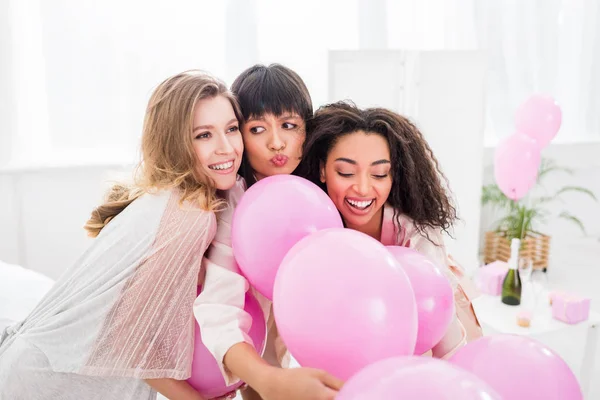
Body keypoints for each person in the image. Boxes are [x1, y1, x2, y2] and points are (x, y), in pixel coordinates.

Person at [0, 70, 245, 400]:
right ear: (175, 143)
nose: (226, 147)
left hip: (33, 360)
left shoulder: (166, 196)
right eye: (204, 135)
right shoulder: (192, 215)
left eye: (231, 129)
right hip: (47, 381)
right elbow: (128, 335)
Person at [194, 64, 343, 400]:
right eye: (258, 129)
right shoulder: (235, 201)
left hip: (321, 331)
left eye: (289, 126)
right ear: (240, 135)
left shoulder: (323, 183)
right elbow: (220, 309)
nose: (277, 143)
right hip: (251, 341)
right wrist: (266, 380)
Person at [300, 101, 483, 356]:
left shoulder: (416, 233)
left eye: (378, 174)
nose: (363, 189)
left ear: (393, 175)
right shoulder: (311, 225)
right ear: (322, 170)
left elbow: (445, 336)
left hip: (440, 320)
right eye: (346, 172)